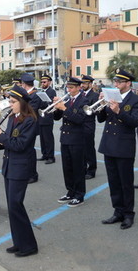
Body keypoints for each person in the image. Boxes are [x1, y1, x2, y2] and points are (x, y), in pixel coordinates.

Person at [0, 85, 38, 257]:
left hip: (21, 168)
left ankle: (29, 245)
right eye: (9, 101)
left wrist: (1, 135)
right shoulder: (12, 118)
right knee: (12, 207)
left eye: (13, 102)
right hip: (9, 166)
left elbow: (20, 145)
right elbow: (7, 143)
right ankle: (18, 242)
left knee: (16, 205)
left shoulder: (30, 120)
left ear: (22, 103)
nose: (10, 104)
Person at [98, 69, 138, 229]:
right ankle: (118, 211)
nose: (115, 84)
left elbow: (135, 122)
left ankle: (128, 214)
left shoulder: (137, 100)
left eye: (119, 82)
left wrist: (119, 111)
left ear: (128, 83)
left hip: (124, 147)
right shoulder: (111, 97)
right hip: (109, 144)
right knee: (114, 182)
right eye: (115, 81)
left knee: (126, 183)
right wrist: (102, 105)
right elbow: (101, 119)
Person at [53, 77, 88, 207]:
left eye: (72, 88)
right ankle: (70, 191)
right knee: (67, 167)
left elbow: (79, 119)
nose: (69, 90)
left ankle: (79, 195)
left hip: (77, 139)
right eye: (68, 87)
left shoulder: (84, 101)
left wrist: (64, 108)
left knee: (77, 168)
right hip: (65, 138)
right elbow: (56, 118)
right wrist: (57, 107)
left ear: (79, 87)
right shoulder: (67, 100)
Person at [21, 73, 43, 183]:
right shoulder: (26, 94)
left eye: (22, 84)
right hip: (24, 126)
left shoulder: (35, 95)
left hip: (31, 126)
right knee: (26, 151)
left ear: (25, 84)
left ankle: (33, 174)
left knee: (30, 151)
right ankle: (27, 172)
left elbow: (31, 111)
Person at [81, 75, 99, 179]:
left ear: (90, 84)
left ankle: (92, 170)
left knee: (89, 148)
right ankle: (83, 168)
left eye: (85, 83)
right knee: (81, 148)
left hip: (88, 124)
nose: (82, 85)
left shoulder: (94, 95)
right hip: (80, 124)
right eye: (82, 83)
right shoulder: (81, 94)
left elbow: (95, 111)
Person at [38, 74, 56, 164]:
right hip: (41, 118)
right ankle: (44, 154)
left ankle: (51, 156)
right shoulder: (41, 91)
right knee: (42, 138)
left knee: (48, 138)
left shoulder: (51, 91)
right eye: (41, 82)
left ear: (49, 82)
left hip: (47, 118)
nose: (42, 83)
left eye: (44, 82)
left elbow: (49, 103)